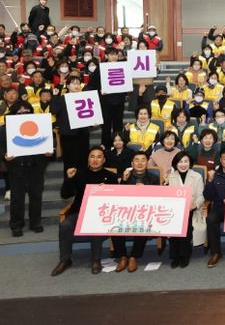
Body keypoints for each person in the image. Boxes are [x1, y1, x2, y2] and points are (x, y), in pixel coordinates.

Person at [51, 147, 118, 276]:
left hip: (101, 214)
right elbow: (65, 195)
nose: (95, 160)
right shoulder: (79, 174)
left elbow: (117, 198)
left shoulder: (110, 176)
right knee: (65, 225)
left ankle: (96, 260)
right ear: (88, 159)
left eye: (99, 157)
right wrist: (69, 179)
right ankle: (65, 260)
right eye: (92, 156)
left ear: (104, 160)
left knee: (95, 226)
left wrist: (108, 190)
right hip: (80, 212)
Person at [0, 102, 53, 237]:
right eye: (20, 112)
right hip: (17, 168)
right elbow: (1, 148)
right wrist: (4, 156)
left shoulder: (41, 125)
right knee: (17, 198)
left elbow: (50, 143)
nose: (24, 114)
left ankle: (35, 223)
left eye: (27, 111)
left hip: (36, 167)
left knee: (36, 196)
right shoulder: (4, 129)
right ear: (13, 113)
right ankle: (16, 225)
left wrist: (49, 153)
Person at [111, 151, 160, 272]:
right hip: (126, 211)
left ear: (147, 162)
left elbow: (157, 198)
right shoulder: (126, 176)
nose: (140, 163)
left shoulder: (154, 178)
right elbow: (118, 197)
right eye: (136, 160)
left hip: (145, 211)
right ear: (132, 163)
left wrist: (146, 190)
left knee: (143, 223)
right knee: (115, 223)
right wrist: (123, 180)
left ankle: (134, 257)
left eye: (143, 160)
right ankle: (123, 256)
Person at [167, 151, 204, 268]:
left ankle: (184, 255)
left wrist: (195, 204)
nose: (183, 164)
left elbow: (201, 196)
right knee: (172, 223)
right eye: (180, 162)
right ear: (175, 164)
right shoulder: (171, 177)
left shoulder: (197, 176)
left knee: (185, 223)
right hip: (175, 209)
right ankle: (175, 256)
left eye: (186, 161)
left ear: (190, 163)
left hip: (191, 209)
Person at [50, 75, 90, 177]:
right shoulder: (62, 98)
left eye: (78, 83)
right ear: (67, 86)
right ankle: (69, 184)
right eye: (73, 83)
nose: (76, 85)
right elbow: (53, 110)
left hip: (82, 133)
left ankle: (82, 183)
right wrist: (55, 96)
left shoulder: (85, 98)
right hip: (68, 135)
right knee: (69, 161)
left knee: (83, 161)